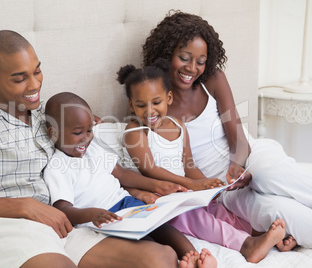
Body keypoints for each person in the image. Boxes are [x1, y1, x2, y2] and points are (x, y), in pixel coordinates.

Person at [0, 30, 183, 268]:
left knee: (159, 259)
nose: (35, 85)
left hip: (63, 223)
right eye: (19, 78)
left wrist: (140, 187)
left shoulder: (50, 113)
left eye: (37, 71)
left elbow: (91, 157)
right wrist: (24, 206)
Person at [140, 10, 311, 250]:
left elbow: (237, 135)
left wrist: (239, 165)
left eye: (200, 61)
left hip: (249, 156)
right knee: (287, 215)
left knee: (269, 175)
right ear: (167, 53)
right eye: (184, 58)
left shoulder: (212, 80)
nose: (192, 68)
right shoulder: (155, 103)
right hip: (223, 190)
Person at [117, 58, 288, 263]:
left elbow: (189, 165)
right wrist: (192, 184)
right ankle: (247, 246)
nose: (150, 111)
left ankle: (259, 235)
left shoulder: (178, 125)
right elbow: (149, 169)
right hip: (159, 196)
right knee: (197, 219)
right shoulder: (134, 131)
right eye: (140, 105)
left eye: (156, 102)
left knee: (217, 209)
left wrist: (207, 185)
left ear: (169, 97)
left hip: (184, 191)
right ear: (131, 105)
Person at [43, 91, 217, 268]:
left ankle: (192, 256)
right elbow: (63, 208)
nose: (87, 138)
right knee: (145, 241)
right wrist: (92, 213)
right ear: (54, 134)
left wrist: (158, 185)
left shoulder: (93, 149)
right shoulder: (57, 166)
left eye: (89, 130)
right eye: (78, 132)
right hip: (102, 221)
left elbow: (122, 174)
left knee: (161, 226)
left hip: (126, 203)